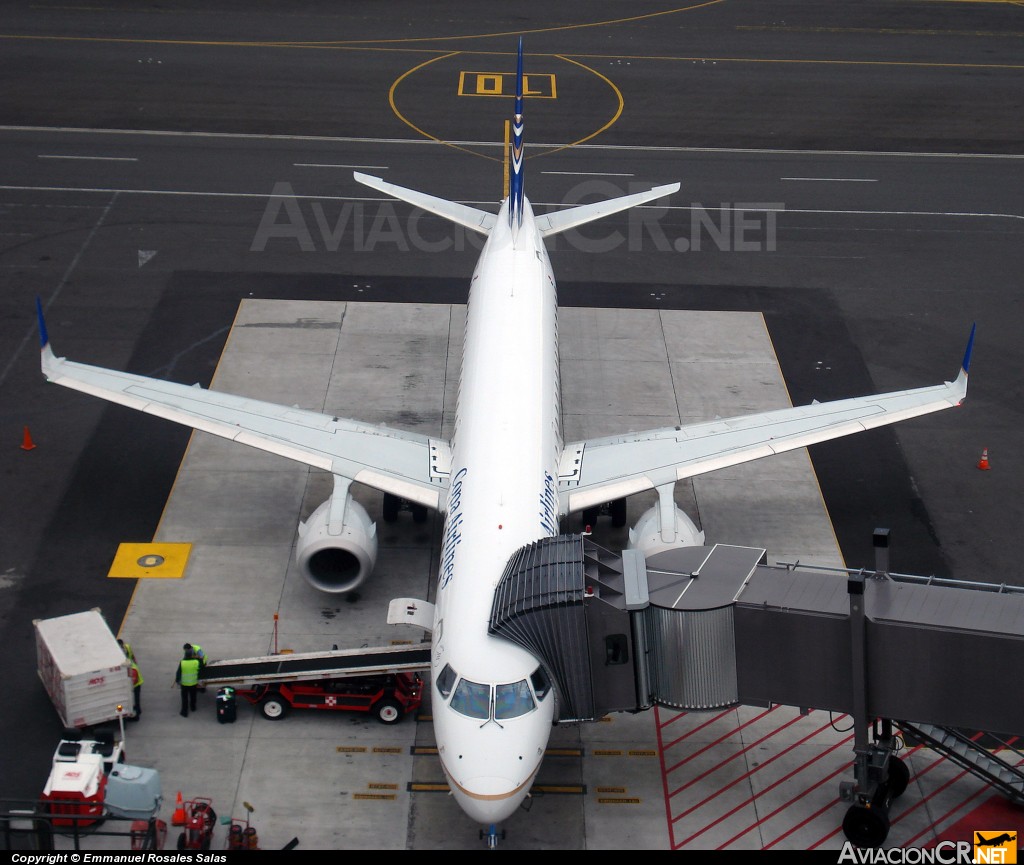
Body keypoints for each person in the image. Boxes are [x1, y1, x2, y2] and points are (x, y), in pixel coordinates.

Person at [176, 646, 200, 717]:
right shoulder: (196, 662)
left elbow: (178, 672)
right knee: (193, 696)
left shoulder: (182, 662)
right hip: (193, 683)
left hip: (184, 684)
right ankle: (193, 707)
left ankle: (184, 711)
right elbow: (199, 670)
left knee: (184, 698)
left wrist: (178, 680)